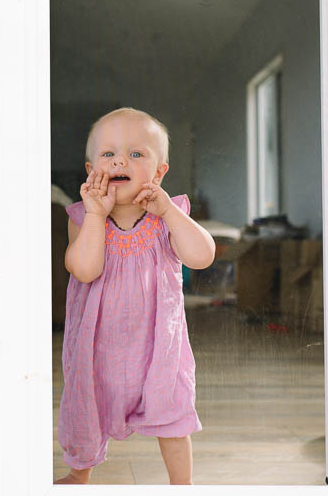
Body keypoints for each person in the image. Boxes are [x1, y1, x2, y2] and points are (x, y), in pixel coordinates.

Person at [55, 107, 216, 485]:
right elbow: (83, 269)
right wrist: (96, 215)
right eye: (108, 155)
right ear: (90, 168)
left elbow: (202, 255)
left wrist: (169, 213)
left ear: (160, 171)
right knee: (86, 410)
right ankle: (80, 474)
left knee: (173, 413)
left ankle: (182, 484)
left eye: (136, 154)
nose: (120, 161)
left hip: (159, 347)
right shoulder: (82, 216)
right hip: (98, 349)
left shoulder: (168, 214)